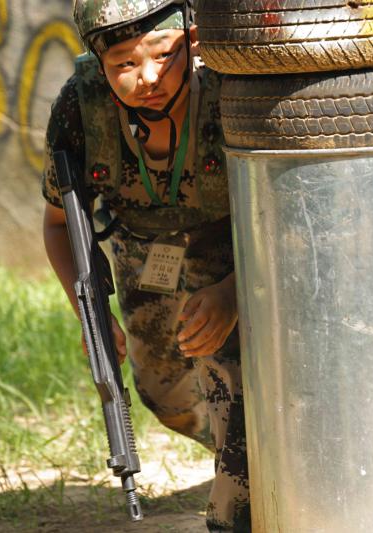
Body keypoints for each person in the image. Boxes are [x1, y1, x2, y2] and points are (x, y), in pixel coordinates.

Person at [40, 0, 250, 530]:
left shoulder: (233, 86)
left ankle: (245, 478)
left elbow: (286, 215)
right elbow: (59, 224)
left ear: (193, 40)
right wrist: (90, 317)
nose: (147, 78)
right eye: (124, 65)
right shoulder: (80, 107)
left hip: (240, 250)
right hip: (144, 252)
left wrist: (232, 292)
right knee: (165, 395)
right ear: (100, 64)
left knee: (232, 377)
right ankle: (241, 450)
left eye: (163, 54)